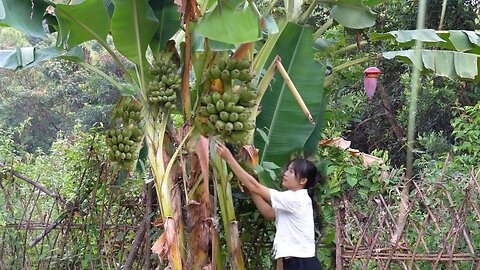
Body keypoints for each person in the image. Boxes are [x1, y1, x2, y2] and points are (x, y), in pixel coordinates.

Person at [216, 143, 322, 270]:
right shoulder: (292, 198)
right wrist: (253, 192)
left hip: (301, 264)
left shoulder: (296, 199)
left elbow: (255, 186)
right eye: (287, 169)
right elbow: (269, 213)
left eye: (291, 171)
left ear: (302, 181)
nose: (285, 173)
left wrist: (229, 159)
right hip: (296, 263)